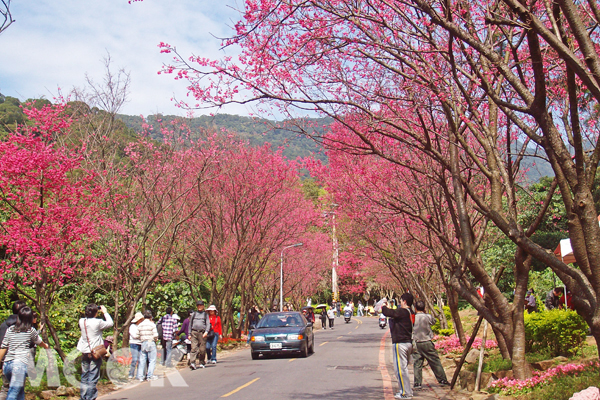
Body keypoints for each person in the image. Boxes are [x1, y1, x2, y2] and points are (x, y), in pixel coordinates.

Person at [0, 306, 48, 400]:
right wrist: (45, 345)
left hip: (7, 365)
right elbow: (39, 342)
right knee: (13, 393)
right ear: (30, 318)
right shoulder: (30, 330)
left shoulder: (10, 329)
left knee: (19, 392)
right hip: (19, 365)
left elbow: (3, 346)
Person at [382, 293, 414, 400]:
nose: (400, 303)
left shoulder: (403, 311)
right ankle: (407, 390)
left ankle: (405, 393)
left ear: (404, 301)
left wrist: (383, 306)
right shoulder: (410, 312)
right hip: (408, 342)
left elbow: (388, 313)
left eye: (400, 301)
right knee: (403, 368)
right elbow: (395, 314)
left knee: (400, 369)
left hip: (400, 343)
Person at [77, 304, 113, 399]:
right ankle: (90, 397)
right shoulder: (98, 322)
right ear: (95, 313)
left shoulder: (81, 321)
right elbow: (110, 323)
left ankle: (83, 397)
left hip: (85, 351)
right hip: (95, 352)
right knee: (93, 376)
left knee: (85, 375)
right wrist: (105, 312)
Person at [412, 300, 449, 390]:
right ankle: (442, 380)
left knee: (417, 363)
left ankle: (417, 383)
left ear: (415, 308)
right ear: (424, 308)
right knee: (435, 361)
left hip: (416, 343)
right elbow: (434, 321)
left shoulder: (412, 317)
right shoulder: (427, 317)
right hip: (427, 341)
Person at [0, 301, 26, 400]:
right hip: (19, 362)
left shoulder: (4, 325)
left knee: (5, 389)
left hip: (6, 362)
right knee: (18, 390)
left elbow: (2, 345)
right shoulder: (24, 327)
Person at [137, 310, 159, 381]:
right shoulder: (152, 324)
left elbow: (137, 335)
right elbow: (155, 335)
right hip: (150, 342)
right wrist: (155, 339)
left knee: (142, 360)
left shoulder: (140, 325)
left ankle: (140, 376)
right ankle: (150, 375)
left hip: (143, 343)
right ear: (150, 317)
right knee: (152, 360)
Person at [189, 300, 211, 370]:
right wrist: (189, 334)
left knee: (202, 349)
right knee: (194, 348)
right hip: (194, 332)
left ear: (203, 306)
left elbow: (208, 324)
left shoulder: (205, 315)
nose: (199, 307)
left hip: (202, 333)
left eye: (201, 305)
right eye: (198, 305)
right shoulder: (194, 314)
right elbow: (190, 324)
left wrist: (206, 332)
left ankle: (201, 362)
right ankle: (192, 362)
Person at [127, 312, 144, 380]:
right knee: (134, 359)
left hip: (141, 343)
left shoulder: (141, 326)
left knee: (140, 360)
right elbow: (134, 336)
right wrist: (140, 336)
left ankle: (138, 375)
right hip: (134, 344)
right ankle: (131, 373)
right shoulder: (132, 326)